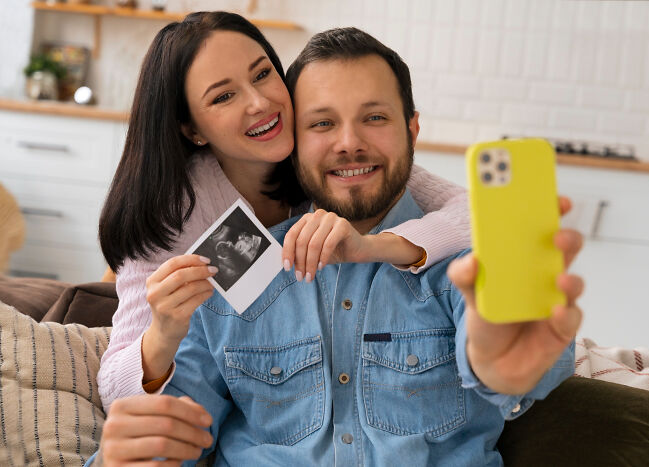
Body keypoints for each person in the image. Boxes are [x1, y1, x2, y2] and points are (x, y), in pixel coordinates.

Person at [89, 27, 584, 466]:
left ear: (412, 128)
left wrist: (498, 366)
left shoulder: (458, 256)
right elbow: (167, 426)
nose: (349, 143)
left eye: (374, 118)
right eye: (322, 123)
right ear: (293, 141)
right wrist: (129, 455)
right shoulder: (235, 252)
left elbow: (517, 346)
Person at [96, 12, 472, 411]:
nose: (260, 103)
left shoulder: (327, 159)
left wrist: (379, 246)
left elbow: (478, 216)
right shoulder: (174, 212)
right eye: (224, 96)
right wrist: (163, 335)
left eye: (262, 74)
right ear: (193, 129)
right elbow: (116, 391)